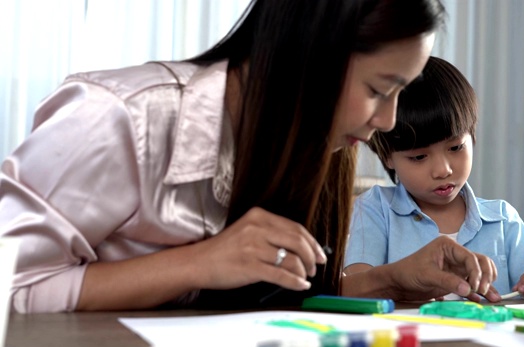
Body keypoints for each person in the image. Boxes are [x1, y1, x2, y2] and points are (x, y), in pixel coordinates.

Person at [0, 0, 497, 314]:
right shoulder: (119, 117)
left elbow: (283, 299)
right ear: (307, 55)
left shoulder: (318, 142)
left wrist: (389, 279)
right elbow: (13, 286)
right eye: (377, 89)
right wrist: (198, 264)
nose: (387, 122)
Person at [343, 57, 524, 302]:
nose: (443, 170)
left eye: (455, 148)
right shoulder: (376, 209)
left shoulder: (503, 221)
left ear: (471, 136)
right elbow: (353, 290)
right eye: (419, 156)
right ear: (388, 157)